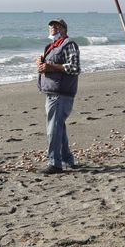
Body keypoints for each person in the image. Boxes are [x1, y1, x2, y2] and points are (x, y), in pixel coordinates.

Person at [35, 18, 80, 175]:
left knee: (53, 128)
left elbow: (74, 67)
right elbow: (50, 67)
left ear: (64, 29)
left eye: (57, 25)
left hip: (61, 94)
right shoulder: (51, 47)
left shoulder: (69, 44)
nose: (52, 27)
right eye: (51, 25)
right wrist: (41, 64)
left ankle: (55, 163)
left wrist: (50, 66)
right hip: (53, 92)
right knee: (57, 126)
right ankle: (67, 160)